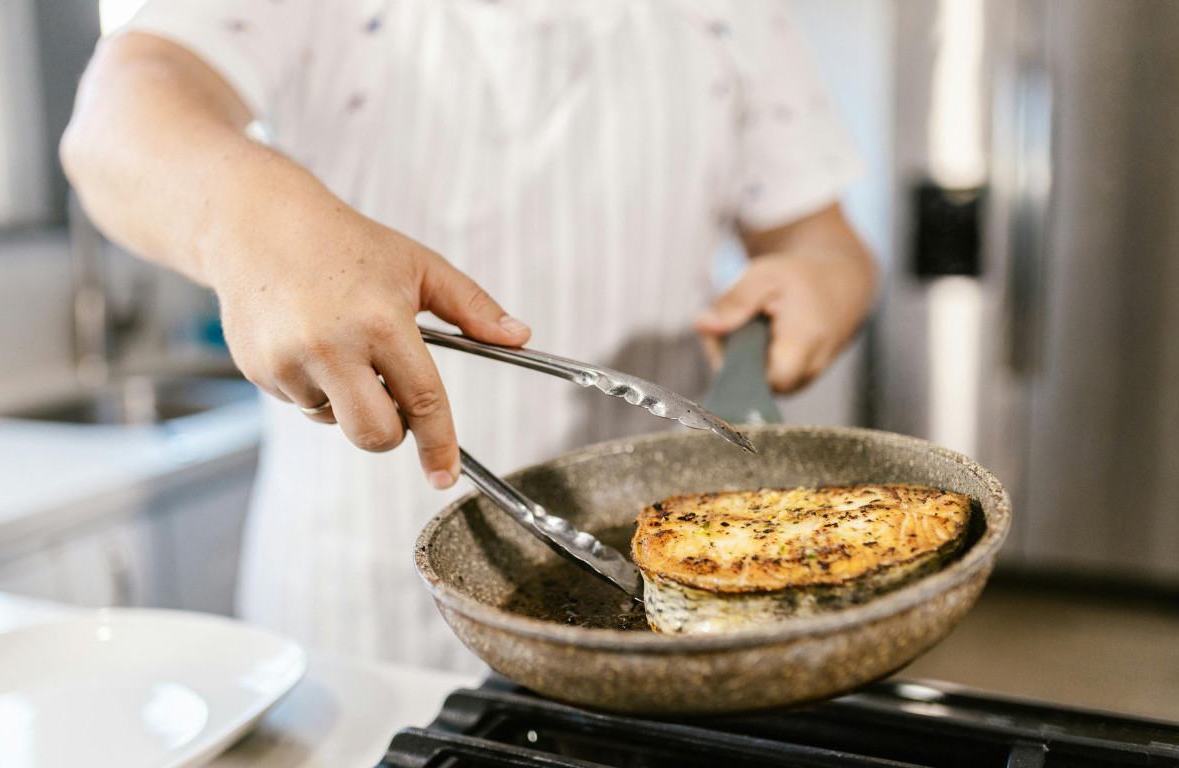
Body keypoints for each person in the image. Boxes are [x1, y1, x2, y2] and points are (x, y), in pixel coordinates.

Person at [62, 0, 877, 672]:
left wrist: (818, 282)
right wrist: (251, 218)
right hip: (362, 610)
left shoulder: (741, 14)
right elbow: (117, 116)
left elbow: (825, 242)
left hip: (660, 601)